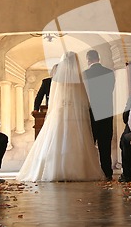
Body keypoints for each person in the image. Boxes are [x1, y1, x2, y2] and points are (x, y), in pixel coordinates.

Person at [16, 51, 104, 182]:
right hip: (75, 114)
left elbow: (54, 100)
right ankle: (78, 170)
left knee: (56, 139)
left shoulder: (57, 79)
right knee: (76, 140)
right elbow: (84, 100)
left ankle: (55, 169)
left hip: (60, 112)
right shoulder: (79, 79)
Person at [83, 49, 116, 181]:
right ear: (98, 58)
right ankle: (107, 171)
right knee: (105, 142)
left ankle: (90, 170)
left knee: (90, 142)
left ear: (88, 59)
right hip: (106, 110)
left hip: (90, 111)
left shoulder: (85, 74)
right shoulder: (109, 72)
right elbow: (111, 89)